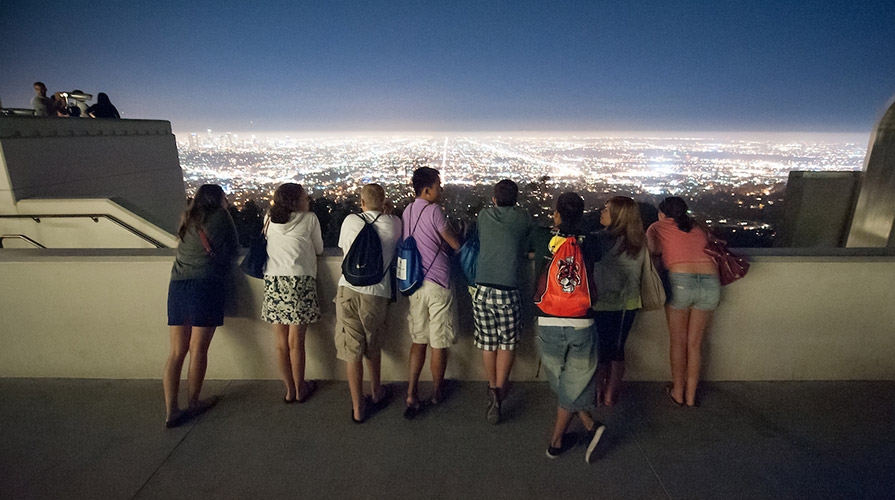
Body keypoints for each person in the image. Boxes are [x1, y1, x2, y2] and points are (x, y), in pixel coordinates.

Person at [532, 192, 605, 462]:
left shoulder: (542, 238)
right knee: (572, 382)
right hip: (582, 320)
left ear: (557, 214)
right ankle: (590, 425)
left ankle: (556, 441)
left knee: (563, 382)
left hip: (549, 318)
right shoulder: (591, 242)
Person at [164, 184, 238, 427]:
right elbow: (234, 248)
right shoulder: (221, 216)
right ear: (219, 199)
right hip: (205, 285)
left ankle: (171, 409)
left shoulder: (188, 216)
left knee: (176, 352)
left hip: (177, 286)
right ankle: (193, 402)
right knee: (198, 349)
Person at [336, 184, 402, 423]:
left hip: (348, 289)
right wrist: (388, 212)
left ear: (361, 202)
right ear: (383, 201)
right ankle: (376, 392)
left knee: (351, 349)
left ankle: (357, 408)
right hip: (376, 293)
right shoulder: (394, 224)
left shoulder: (350, 221)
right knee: (373, 345)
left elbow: (345, 251)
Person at [646, 196, 720, 408]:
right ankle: (691, 396)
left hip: (680, 281)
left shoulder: (657, 226)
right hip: (711, 282)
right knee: (695, 343)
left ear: (662, 213)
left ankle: (678, 393)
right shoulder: (698, 226)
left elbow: (653, 251)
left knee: (678, 342)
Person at [401, 166, 461, 419]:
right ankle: (437, 392)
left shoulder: (407, 210)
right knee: (438, 343)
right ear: (426, 189)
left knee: (419, 340)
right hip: (437, 282)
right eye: (438, 184)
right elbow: (454, 244)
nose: (441, 188)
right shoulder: (435, 211)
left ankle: (412, 392)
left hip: (414, 285)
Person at [472, 179, 531, 424]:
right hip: (508, 289)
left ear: (494, 199)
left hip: (482, 288)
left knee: (489, 343)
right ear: (515, 199)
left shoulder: (484, 216)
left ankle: (491, 387)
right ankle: (500, 389)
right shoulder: (522, 218)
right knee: (507, 343)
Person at [262, 183, 324, 403]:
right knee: (296, 342)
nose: (308, 201)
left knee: (281, 342)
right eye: (305, 198)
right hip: (299, 281)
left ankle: (289, 390)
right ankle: (300, 389)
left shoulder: (269, 218)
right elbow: (319, 249)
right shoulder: (309, 220)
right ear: (296, 202)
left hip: (274, 281)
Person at [592, 196, 647, 407]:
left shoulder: (597, 240)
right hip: (627, 303)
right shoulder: (638, 241)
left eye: (606, 210)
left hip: (599, 302)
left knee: (600, 349)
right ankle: (610, 393)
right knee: (616, 349)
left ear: (617, 215)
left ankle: (598, 391)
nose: (601, 213)